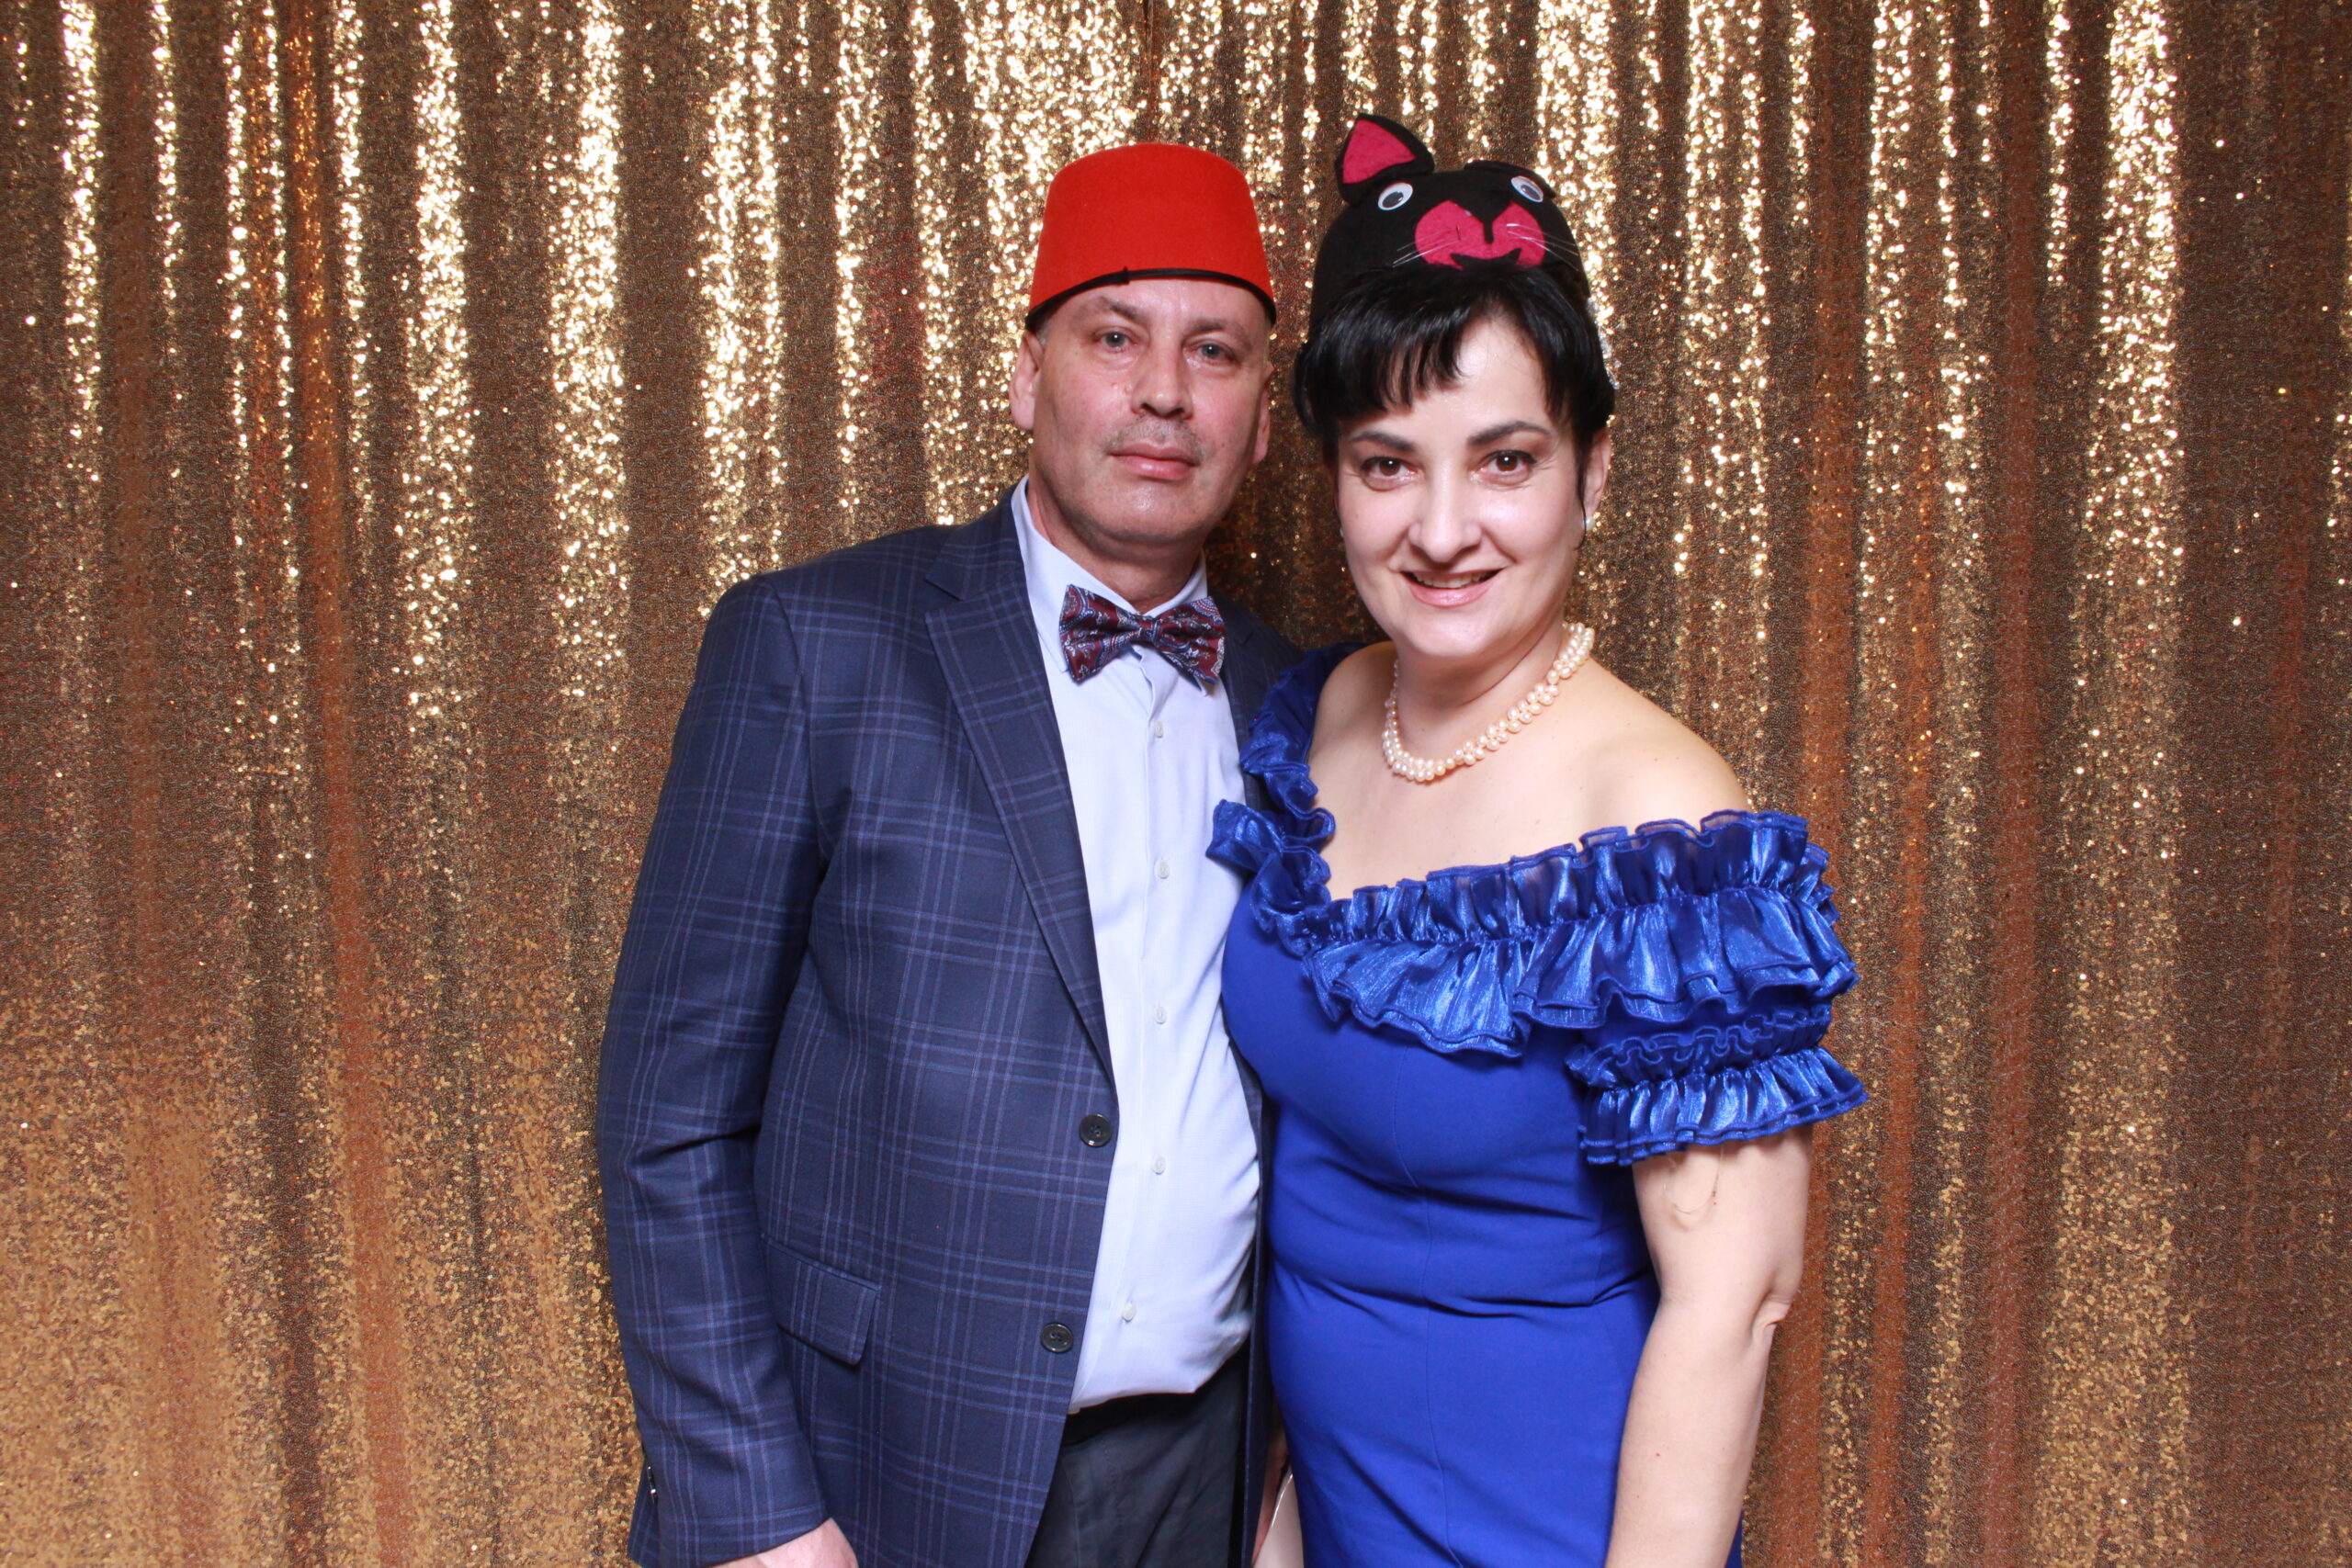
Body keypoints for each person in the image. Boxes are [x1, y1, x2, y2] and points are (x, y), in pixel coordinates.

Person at [598, 141, 1299, 1568]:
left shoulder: (1303, 704)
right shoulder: (818, 646)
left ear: (1264, 422)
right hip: (882, 1480)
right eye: (1116, 338)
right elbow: (667, 1116)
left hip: (1214, 1481)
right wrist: (758, 1514)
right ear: (1028, 377)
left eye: (1214, 351)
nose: (1166, 391)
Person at [1210, 117, 1869, 1567]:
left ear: (1593, 470)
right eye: (1389, 464)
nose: (1444, 530)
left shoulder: (1664, 828)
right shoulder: (1316, 717)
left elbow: (1734, 1303)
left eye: (1504, 460)